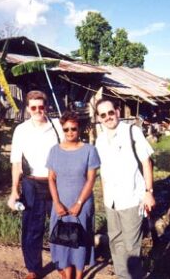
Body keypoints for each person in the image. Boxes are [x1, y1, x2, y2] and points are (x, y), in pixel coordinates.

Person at [95, 98, 156, 279]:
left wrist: (149, 192)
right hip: (111, 201)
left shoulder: (132, 131)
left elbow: (147, 163)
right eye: (103, 115)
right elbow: (103, 171)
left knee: (131, 247)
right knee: (116, 243)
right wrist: (105, 197)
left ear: (118, 112)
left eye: (110, 113)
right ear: (99, 118)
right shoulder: (99, 140)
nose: (108, 117)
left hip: (131, 199)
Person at [7, 90, 63, 279]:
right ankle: (33, 269)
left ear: (47, 107)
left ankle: (64, 263)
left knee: (61, 224)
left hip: (56, 182)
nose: (38, 110)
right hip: (31, 183)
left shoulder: (57, 126)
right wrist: (14, 190)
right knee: (32, 227)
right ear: (28, 109)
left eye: (41, 106)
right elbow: (16, 163)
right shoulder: (21, 130)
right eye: (34, 108)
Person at [46, 111, 100, 279]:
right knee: (63, 242)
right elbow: (51, 179)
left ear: (79, 129)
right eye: (66, 129)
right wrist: (56, 203)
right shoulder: (54, 151)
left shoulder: (90, 150)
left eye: (73, 129)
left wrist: (79, 203)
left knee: (80, 241)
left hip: (82, 204)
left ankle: (79, 276)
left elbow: (91, 180)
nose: (70, 132)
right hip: (60, 204)